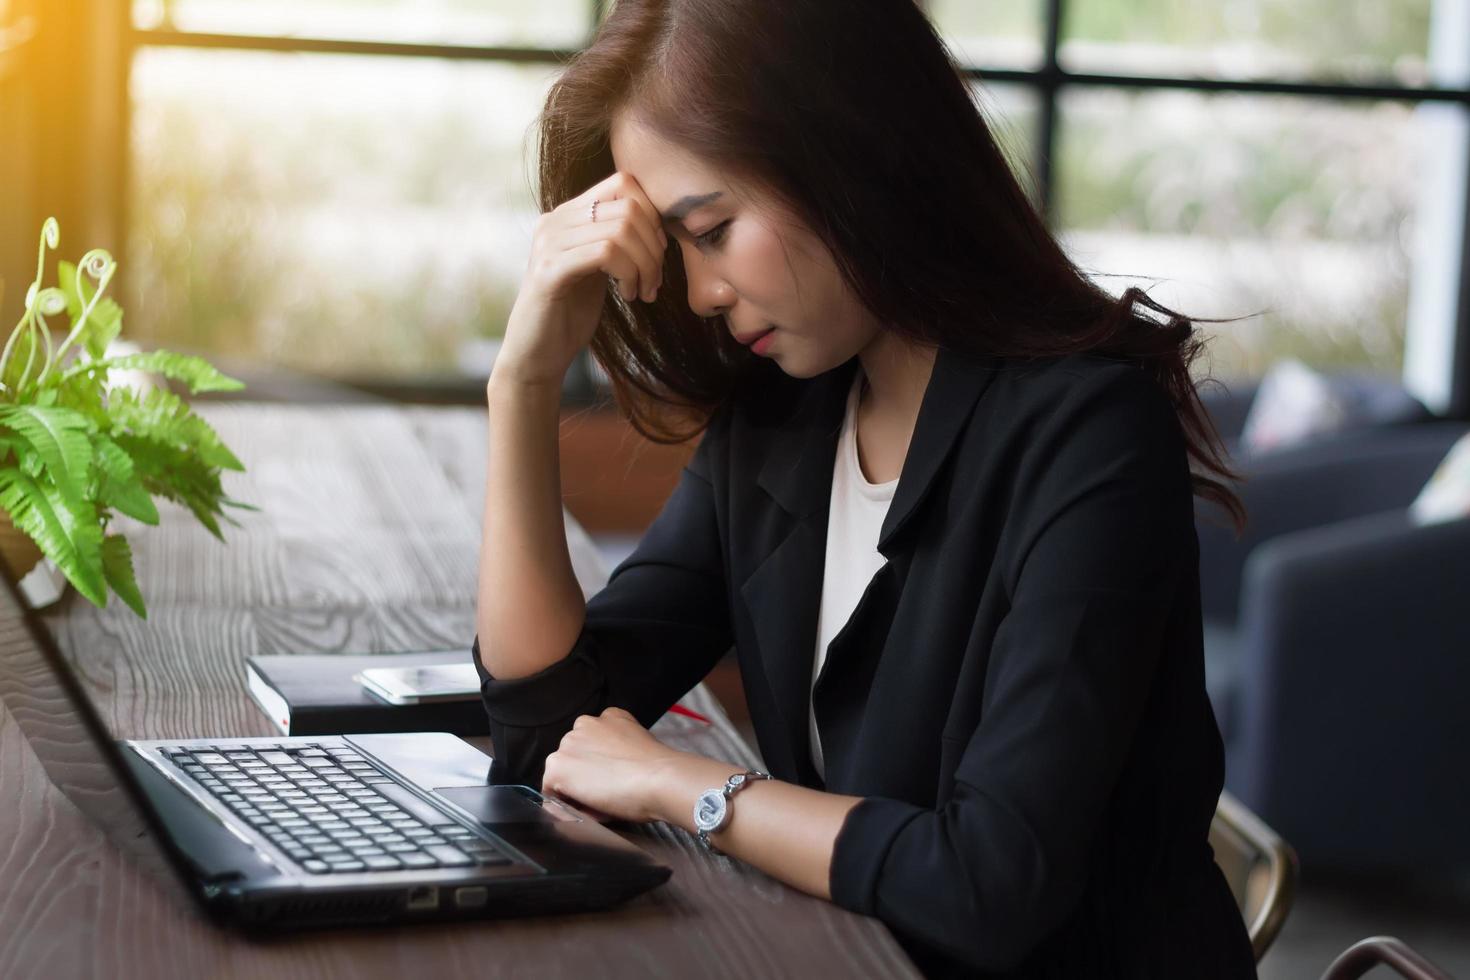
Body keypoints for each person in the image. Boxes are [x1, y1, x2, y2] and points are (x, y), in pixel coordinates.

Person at [470, 1, 1258, 976]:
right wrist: (523, 384)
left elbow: (991, 883)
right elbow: (546, 737)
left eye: (711, 229)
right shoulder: (781, 422)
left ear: (844, 152)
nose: (701, 293)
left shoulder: (1089, 434)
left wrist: (691, 787)